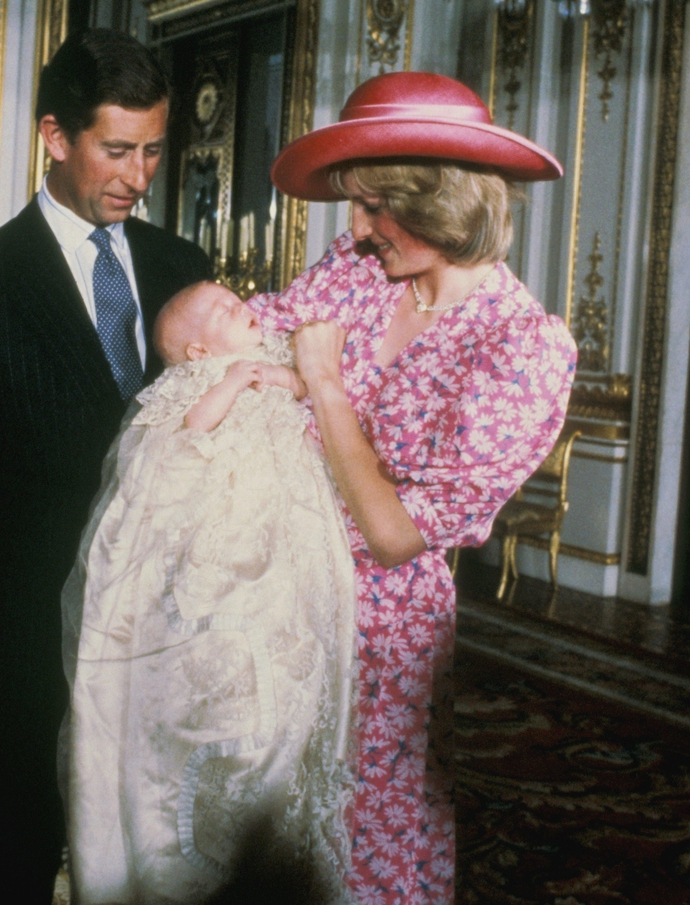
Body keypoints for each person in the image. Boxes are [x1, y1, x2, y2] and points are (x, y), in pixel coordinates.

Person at [248, 71, 578, 905]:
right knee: (259, 828)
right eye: (353, 204)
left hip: (380, 630)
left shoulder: (520, 349)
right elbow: (252, 339)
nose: (355, 226)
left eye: (374, 205)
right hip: (274, 587)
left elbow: (395, 534)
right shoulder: (362, 268)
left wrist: (318, 382)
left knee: (366, 839)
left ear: (442, 202)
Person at [0, 28, 211, 904]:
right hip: (23, 643)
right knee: (16, 847)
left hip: (165, 633)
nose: (138, 175)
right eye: (116, 149)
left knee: (159, 850)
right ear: (54, 137)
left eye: (153, 150)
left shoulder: (184, 269)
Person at [61, 281, 356, 904]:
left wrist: (279, 379)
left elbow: (306, 386)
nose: (242, 306)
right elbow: (190, 430)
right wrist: (234, 379)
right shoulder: (194, 383)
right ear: (197, 351)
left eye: (236, 300)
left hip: (283, 523)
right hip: (221, 531)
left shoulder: (269, 357)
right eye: (224, 311)